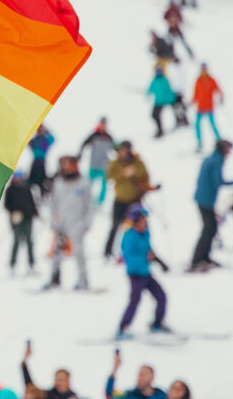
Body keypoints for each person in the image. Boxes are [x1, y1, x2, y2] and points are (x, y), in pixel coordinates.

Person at [191, 140, 233, 270]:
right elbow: (218, 182)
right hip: (206, 200)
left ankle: (204, 257)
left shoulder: (211, 159)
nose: (229, 153)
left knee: (211, 228)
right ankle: (198, 259)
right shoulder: (216, 161)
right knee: (208, 229)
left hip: (204, 198)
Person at [117, 208, 170, 340]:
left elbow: (149, 250)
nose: (145, 222)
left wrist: (160, 262)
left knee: (161, 296)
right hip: (135, 275)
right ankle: (122, 328)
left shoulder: (145, 233)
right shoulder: (129, 237)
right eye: (142, 219)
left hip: (146, 273)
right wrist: (145, 259)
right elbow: (128, 257)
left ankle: (157, 323)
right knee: (135, 301)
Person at [45, 156, 92, 290]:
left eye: (71, 165)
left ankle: (83, 280)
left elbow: (89, 205)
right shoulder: (59, 182)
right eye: (65, 165)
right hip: (62, 223)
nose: (68, 168)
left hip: (77, 222)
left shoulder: (83, 183)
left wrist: (86, 223)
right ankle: (55, 278)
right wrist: (54, 221)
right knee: (56, 252)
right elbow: (54, 203)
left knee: (79, 253)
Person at [104, 142, 153, 258]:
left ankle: (140, 250)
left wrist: (135, 173)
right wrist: (124, 174)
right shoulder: (116, 163)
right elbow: (109, 176)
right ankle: (108, 250)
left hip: (134, 199)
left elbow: (145, 176)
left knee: (138, 226)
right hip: (120, 199)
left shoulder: (137, 162)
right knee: (115, 225)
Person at [3, 171, 37, 275]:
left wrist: (36, 212)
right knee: (16, 241)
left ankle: (31, 265)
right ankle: (12, 265)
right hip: (17, 220)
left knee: (29, 242)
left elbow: (31, 203)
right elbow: (6, 205)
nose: (18, 179)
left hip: (28, 219)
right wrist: (14, 212)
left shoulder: (26, 189)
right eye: (16, 177)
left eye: (19, 177)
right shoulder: (10, 190)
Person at [78, 117, 114, 205]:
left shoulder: (109, 137)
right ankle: (85, 199)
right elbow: (83, 144)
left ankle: (100, 202)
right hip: (94, 164)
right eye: (102, 124)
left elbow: (115, 148)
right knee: (88, 183)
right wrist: (80, 155)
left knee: (104, 185)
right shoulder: (94, 136)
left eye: (104, 124)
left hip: (104, 165)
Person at [191, 64, 222, 152]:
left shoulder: (211, 80)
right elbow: (195, 93)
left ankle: (219, 141)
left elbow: (217, 89)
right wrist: (192, 101)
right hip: (200, 106)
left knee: (212, 125)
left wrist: (220, 96)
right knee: (197, 125)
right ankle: (199, 144)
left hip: (209, 106)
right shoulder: (198, 80)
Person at [146, 66, 175, 138]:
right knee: (154, 115)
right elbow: (150, 89)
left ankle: (160, 130)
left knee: (155, 115)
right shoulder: (154, 80)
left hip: (163, 101)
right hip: (157, 101)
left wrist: (172, 99)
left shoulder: (164, 80)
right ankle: (160, 129)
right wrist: (147, 94)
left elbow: (169, 90)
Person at [27, 125, 55, 195]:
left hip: (42, 161)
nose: (39, 132)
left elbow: (53, 139)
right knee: (32, 179)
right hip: (36, 161)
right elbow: (26, 141)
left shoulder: (45, 140)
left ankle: (43, 192)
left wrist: (46, 130)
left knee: (42, 180)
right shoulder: (34, 141)